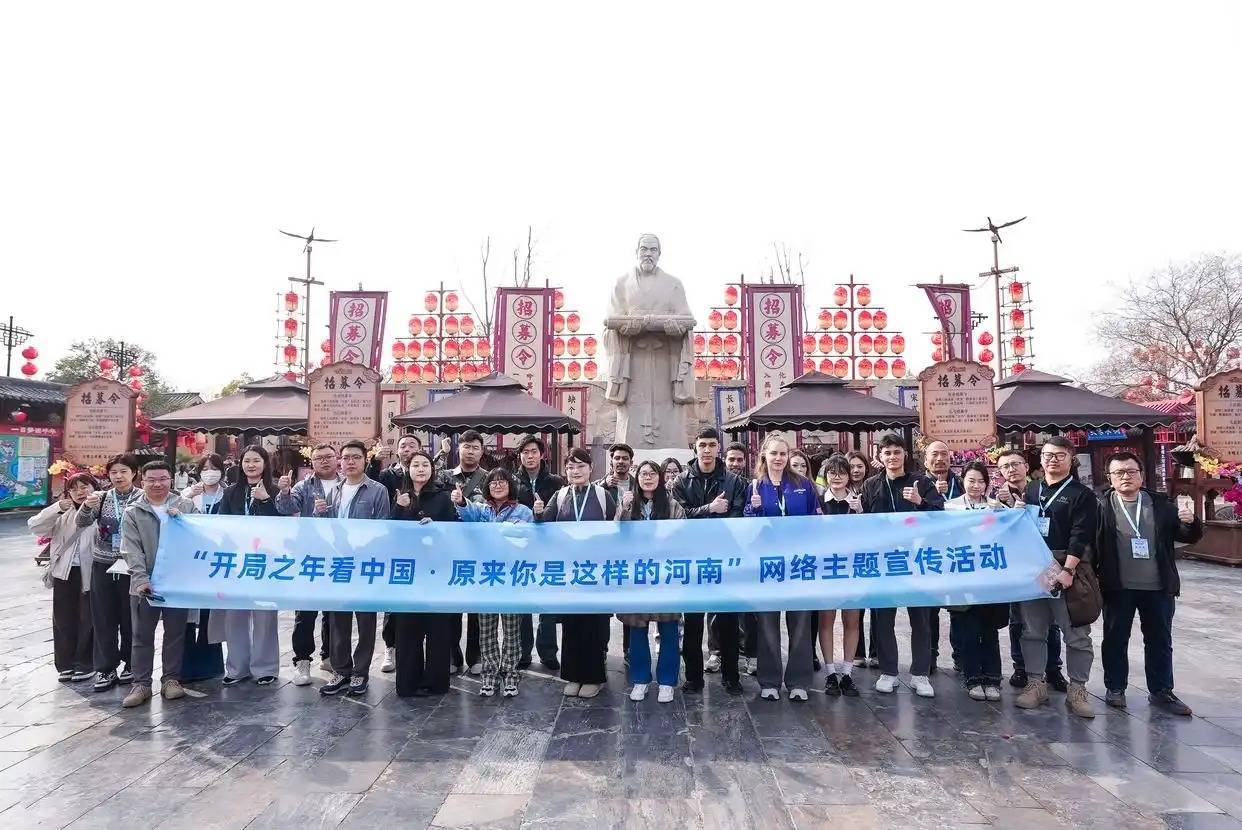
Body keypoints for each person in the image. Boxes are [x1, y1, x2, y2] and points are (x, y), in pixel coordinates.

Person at [1097, 451, 1201, 715]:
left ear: (1141, 475)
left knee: (1159, 640)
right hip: (1118, 587)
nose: (1126, 477)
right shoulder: (1101, 506)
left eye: (1131, 471)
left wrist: (1191, 523)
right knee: (1115, 638)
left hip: (1158, 587)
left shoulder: (1161, 503)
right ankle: (1115, 688)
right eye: (1119, 472)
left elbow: (1186, 535)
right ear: (1110, 478)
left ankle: (1162, 691)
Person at [1014, 437, 1099, 718]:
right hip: (1034, 568)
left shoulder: (1081, 494)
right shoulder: (1032, 489)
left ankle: (1078, 689)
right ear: (1040, 459)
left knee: (1076, 633)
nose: (1053, 460)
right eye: (1048, 455)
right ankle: (1035, 683)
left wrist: (1068, 569)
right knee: (1032, 630)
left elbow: (1081, 534)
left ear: (1071, 459)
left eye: (1060, 455)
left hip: (1066, 566)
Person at [860, 433, 944, 697]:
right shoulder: (870, 485)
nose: (892, 457)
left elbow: (940, 516)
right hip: (883, 562)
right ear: (880, 456)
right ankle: (888, 672)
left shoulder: (922, 482)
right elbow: (862, 523)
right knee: (883, 619)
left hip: (916, 561)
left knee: (921, 620)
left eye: (897, 452)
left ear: (905, 455)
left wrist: (920, 502)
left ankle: (920, 674)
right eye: (887, 453)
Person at [670, 427, 748, 695]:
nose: (707, 450)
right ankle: (693, 678)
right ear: (695, 447)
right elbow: (679, 516)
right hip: (692, 561)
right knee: (692, 623)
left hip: (723, 560)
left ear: (718, 448)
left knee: (728, 623)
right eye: (702, 444)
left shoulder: (734, 481)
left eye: (712, 445)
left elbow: (737, 517)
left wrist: (706, 519)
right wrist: (710, 509)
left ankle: (731, 677)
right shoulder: (681, 481)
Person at [745, 435, 821, 701]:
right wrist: (753, 510)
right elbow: (748, 529)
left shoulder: (803, 484)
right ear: (764, 455)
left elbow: (815, 519)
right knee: (767, 622)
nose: (778, 458)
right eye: (774, 453)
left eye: (783, 453)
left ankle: (799, 681)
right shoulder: (755, 486)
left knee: (800, 622)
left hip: (798, 563)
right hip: (768, 565)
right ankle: (769, 681)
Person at [536, 447, 616, 698]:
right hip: (570, 572)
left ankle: (593, 678)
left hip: (596, 572)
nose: (575, 471)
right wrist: (537, 513)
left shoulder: (603, 495)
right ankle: (572, 675)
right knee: (571, 625)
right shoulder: (560, 496)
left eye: (581, 466)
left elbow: (616, 529)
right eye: (571, 467)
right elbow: (544, 525)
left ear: (591, 469)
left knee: (594, 625)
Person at [119, 460, 199, 707]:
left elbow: (201, 535)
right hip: (145, 586)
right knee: (141, 634)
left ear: (171, 480)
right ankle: (141, 683)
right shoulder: (133, 511)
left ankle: (171, 679)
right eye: (151, 480)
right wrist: (141, 579)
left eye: (162, 479)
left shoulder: (185, 506)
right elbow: (131, 549)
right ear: (142, 482)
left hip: (176, 583)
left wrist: (183, 520)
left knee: (175, 633)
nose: (157, 484)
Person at [451, 467, 534, 697]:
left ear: (510, 485)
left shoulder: (523, 511)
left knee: (512, 631)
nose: (497, 486)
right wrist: (461, 501)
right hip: (486, 579)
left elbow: (531, 540)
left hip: (512, 580)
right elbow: (467, 513)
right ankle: (489, 676)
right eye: (493, 482)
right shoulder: (481, 510)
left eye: (502, 481)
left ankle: (510, 675)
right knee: (486, 631)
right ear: (487, 487)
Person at [321, 440, 392, 696]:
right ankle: (341, 670)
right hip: (339, 563)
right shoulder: (335, 490)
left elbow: (383, 525)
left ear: (365, 459)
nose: (350, 462)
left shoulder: (378, 490)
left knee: (365, 620)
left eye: (356, 457)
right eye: (346, 457)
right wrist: (320, 514)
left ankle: (360, 672)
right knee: (337, 619)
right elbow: (328, 527)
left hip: (365, 564)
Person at [993, 449, 1067, 692]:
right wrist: (1006, 508)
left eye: (1015, 464)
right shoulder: (995, 497)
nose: (1011, 469)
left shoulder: (1041, 492)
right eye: (1005, 466)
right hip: (1016, 566)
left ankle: (1053, 669)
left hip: (1044, 563)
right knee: (1018, 619)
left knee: (1050, 620)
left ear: (1026, 466)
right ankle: (1021, 667)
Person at [392, 449, 458, 697]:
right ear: (408, 469)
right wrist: (399, 509)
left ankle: (436, 682)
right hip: (408, 573)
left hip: (435, 572)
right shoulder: (400, 496)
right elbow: (390, 532)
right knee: (407, 630)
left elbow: (455, 530)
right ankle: (408, 683)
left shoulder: (443, 497)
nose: (420, 469)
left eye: (425, 465)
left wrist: (436, 528)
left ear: (432, 470)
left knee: (437, 629)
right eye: (416, 465)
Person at [618, 460, 684, 703]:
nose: (648, 477)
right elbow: (617, 535)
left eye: (653, 473)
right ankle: (640, 680)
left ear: (660, 477)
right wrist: (624, 509)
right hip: (636, 577)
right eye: (643, 474)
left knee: (669, 630)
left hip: (665, 576)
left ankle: (667, 681)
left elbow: (681, 536)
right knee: (637, 630)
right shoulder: (628, 504)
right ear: (637, 478)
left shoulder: (672, 505)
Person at [76, 452, 143, 692]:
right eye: (114, 472)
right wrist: (86, 506)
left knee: (131, 618)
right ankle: (105, 668)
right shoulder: (102, 498)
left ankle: (132, 665)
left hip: (133, 567)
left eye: (124, 471)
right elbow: (81, 522)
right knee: (103, 618)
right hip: (103, 565)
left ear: (134, 473)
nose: (118, 476)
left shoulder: (143, 497)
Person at [275, 443, 340, 685]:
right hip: (309, 556)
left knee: (333, 611)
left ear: (337, 459)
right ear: (311, 462)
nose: (324, 461)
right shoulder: (303, 486)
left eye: (328, 456)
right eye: (318, 458)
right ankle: (302, 661)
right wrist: (284, 491)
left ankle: (330, 656)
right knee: (305, 612)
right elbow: (285, 508)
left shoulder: (346, 485)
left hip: (338, 556)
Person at [218, 445, 281, 687]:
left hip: (266, 562)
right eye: (246, 461)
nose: (251, 465)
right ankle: (237, 668)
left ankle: (265, 668)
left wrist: (266, 501)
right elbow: (221, 524)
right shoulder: (231, 492)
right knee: (234, 616)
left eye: (256, 460)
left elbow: (283, 525)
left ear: (265, 464)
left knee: (265, 616)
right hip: (236, 562)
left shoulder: (275, 491)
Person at [945, 461, 1007, 702]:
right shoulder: (951, 506)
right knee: (968, 629)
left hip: (991, 578)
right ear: (963, 481)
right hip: (963, 577)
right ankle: (972, 677)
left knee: (989, 630)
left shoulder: (996, 507)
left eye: (981, 481)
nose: (976, 485)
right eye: (971, 480)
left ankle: (992, 678)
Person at [28, 471, 99, 683]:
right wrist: (56, 508)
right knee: (63, 620)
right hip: (64, 573)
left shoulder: (101, 510)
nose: (80, 492)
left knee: (88, 619)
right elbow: (35, 526)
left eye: (84, 487)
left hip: (91, 572)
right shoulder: (62, 513)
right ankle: (65, 664)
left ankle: (85, 663)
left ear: (94, 488)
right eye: (74, 489)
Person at [514, 434, 566, 670]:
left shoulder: (556, 482)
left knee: (548, 603)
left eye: (534, 451)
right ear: (520, 456)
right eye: (525, 452)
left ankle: (548, 652)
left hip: (549, 549)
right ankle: (523, 652)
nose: (529, 456)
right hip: (521, 550)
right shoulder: (513, 482)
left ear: (542, 454)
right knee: (523, 603)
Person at [439, 430, 488, 675]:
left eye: (475, 447)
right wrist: (441, 453)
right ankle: (452, 656)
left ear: (482, 451)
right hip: (449, 549)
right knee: (451, 605)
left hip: (478, 550)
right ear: (458, 449)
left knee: (477, 607)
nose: (470, 451)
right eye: (466, 446)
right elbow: (423, 476)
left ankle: (476, 656)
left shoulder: (489, 478)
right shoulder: (445, 476)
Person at [176, 454, 227, 682]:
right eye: (205, 468)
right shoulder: (187, 494)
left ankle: (211, 664)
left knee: (210, 613)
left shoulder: (228, 494)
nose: (209, 472)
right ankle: (185, 665)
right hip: (191, 560)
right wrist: (187, 496)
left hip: (217, 560)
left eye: (214, 467)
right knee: (187, 613)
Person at [816, 454, 862, 697]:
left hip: (853, 570)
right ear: (825, 476)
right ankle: (830, 672)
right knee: (826, 621)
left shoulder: (858, 502)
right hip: (826, 570)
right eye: (832, 472)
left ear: (848, 476)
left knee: (852, 621)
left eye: (841, 472)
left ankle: (848, 672)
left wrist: (860, 512)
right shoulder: (818, 503)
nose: (836, 477)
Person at [923, 440, 963, 674]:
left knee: (960, 609)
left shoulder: (962, 482)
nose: (940, 459)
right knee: (929, 610)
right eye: (934, 454)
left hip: (958, 554)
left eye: (944, 454)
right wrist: (932, 498)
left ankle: (961, 656)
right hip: (930, 554)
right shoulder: (918, 484)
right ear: (925, 459)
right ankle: (930, 655)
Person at [847, 450, 879, 670]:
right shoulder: (840, 490)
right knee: (855, 606)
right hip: (851, 557)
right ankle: (857, 652)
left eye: (860, 466)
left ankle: (876, 652)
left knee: (876, 605)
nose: (856, 470)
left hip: (873, 553)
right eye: (852, 466)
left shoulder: (873, 488)